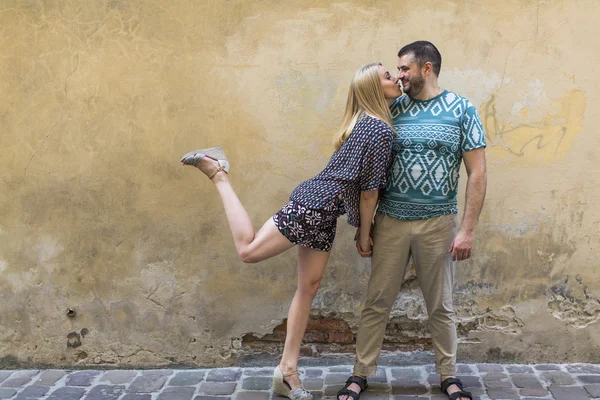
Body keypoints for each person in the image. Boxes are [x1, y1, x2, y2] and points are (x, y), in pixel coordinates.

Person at [180, 62, 402, 400]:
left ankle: (287, 371)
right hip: (313, 206)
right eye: (388, 75)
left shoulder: (366, 123)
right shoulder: (380, 130)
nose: (396, 78)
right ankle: (218, 173)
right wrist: (365, 234)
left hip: (324, 212)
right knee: (248, 251)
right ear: (374, 88)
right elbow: (370, 192)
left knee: (308, 289)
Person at [337, 41, 487, 400]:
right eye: (398, 70)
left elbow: (477, 173)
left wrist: (467, 230)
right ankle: (360, 374)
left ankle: (448, 375)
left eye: (404, 68)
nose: (399, 75)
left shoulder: (462, 110)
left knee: (441, 305)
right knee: (377, 302)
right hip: (390, 221)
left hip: (437, 223)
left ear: (427, 69)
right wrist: (366, 227)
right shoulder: (392, 110)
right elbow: (369, 168)